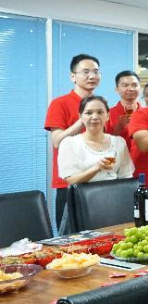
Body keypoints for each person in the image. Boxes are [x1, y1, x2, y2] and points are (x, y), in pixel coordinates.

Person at [44, 53, 101, 226]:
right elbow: (57, 141)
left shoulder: (99, 104)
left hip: (99, 181)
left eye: (96, 71)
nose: (92, 76)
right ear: (73, 77)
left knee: (101, 233)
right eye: (86, 72)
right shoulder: (59, 103)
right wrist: (82, 120)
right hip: (70, 182)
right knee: (71, 236)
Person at [58, 96, 134, 185]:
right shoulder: (69, 143)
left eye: (100, 112)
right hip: (83, 193)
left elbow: (126, 176)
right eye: (88, 113)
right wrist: (97, 168)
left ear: (108, 116)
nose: (94, 117)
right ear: (80, 117)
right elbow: (71, 180)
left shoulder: (119, 142)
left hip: (115, 192)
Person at [105, 70, 141, 149]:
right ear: (117, 89)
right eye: (125, 85)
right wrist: (118, 129)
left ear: (140, 88)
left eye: (135, 85)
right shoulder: (107, 114)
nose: (130, 89)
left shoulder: (147, 113)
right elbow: (102, 143)